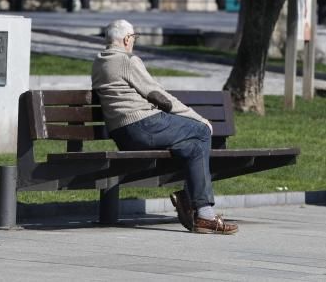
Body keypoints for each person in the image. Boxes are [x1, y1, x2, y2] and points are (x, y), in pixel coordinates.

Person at [92, 19, 238, 234]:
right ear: (126, 39)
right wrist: (198, 118)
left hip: (122, 134)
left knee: (193, 147)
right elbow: (159, 96)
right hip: (143, 125)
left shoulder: (99, 62)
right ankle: (195, 206)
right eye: (133, 38)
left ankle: (200, 211)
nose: (133, 42)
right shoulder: (127, 61)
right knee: (201, 131)